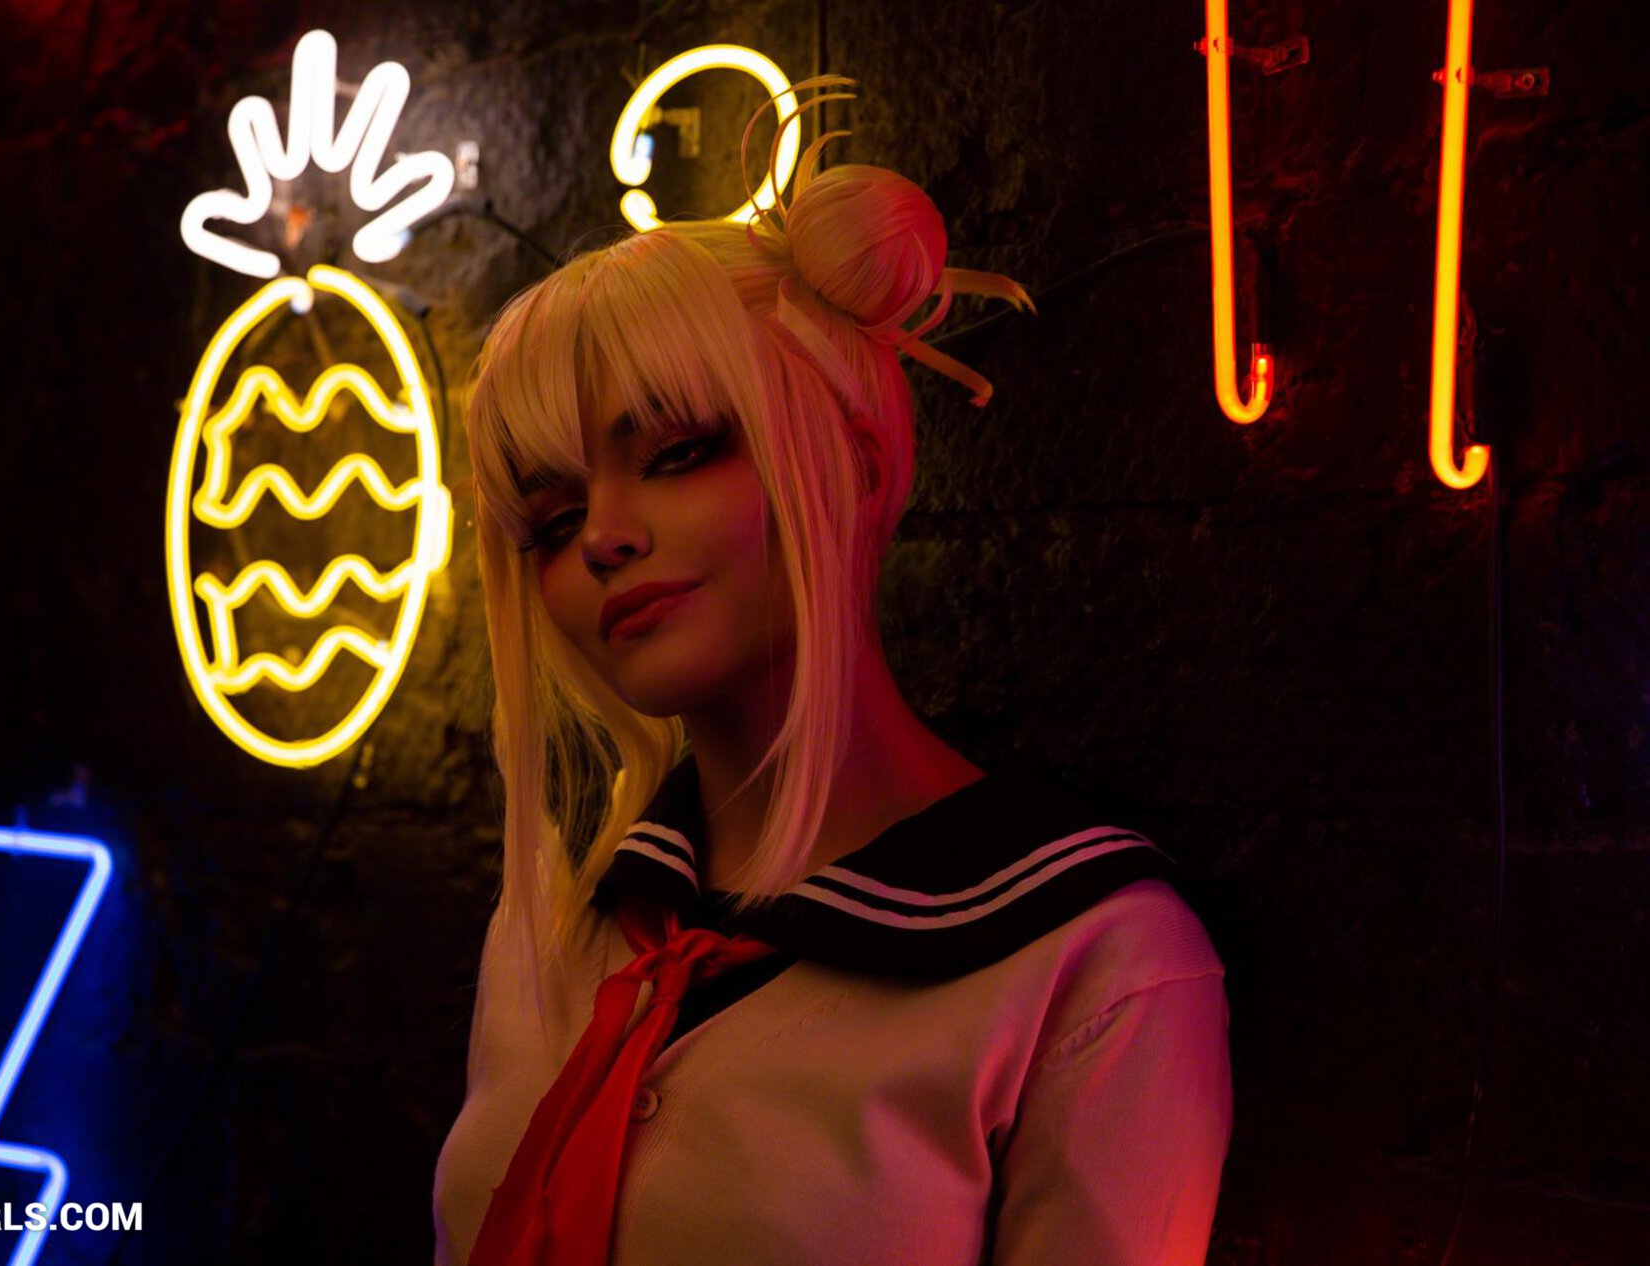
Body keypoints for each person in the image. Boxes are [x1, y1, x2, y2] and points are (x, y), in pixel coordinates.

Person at [432, 85, 1232, 1266]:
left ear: (850, 457)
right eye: (551, 520)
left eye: (680, 453)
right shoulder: (547, 938)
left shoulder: (1091, 965)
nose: (601, 536)